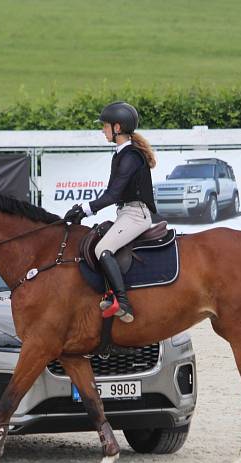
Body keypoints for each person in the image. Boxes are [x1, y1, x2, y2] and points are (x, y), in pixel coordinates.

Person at [64, 101, 157, 323]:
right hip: (126, 213)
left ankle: (123, 302)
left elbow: (113, 194)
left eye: (105, 126)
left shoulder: (131, 156)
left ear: (117, 128)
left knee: (103, 248)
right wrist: (83, 209)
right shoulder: (121, 154)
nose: (102, 130)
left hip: (137, 215)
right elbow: (111, 193)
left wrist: (84, 210)